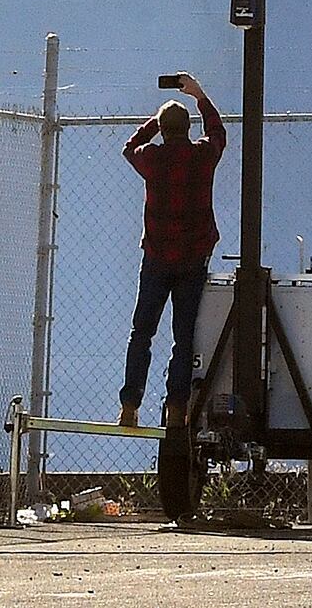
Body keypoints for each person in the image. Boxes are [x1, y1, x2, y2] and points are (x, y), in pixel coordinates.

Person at [119, 72, 225, 431]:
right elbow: (218, 134)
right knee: (183, 338)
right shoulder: (202, 156)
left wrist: (155, 120)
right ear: (189, 129)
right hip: (193, 261)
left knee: (142, 332)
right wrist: (199, 96)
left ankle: (130, 406)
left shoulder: (153, 159)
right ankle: (177, 408)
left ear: (164, 130)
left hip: (157, 260)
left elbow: (128, 148)